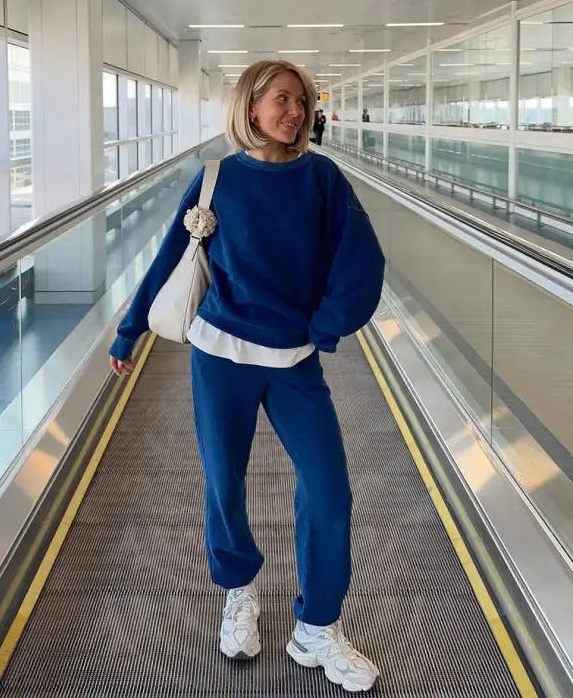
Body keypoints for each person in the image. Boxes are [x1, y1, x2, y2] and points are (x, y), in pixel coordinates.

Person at [110, 60, 385, 693]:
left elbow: (360, 260)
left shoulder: (323, 179)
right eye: (282, 99)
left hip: (293, 360)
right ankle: (240, 592)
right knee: (222, 481)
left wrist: (325, 325)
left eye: (304, 101)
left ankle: (316, 627)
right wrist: (129, 331)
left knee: (328, 487)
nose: (295, 111)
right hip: (220, 354)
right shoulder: (217, 180)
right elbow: (171, 259)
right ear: (251, 107)